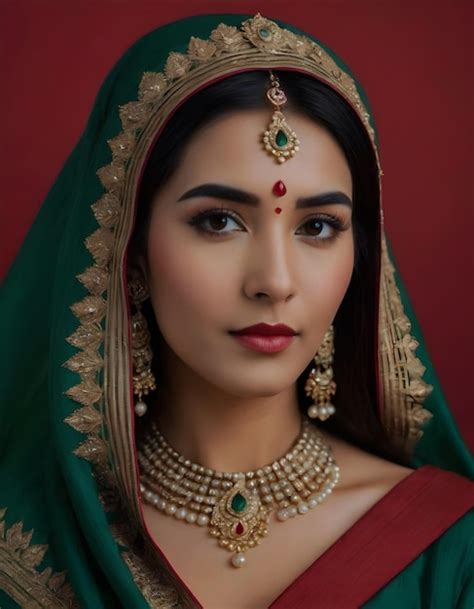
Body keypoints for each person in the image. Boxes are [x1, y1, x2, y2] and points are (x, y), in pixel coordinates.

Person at [0, 12, 472, 609]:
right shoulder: (25, 548)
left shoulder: (451, 550)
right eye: (219, 221)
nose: (274, 282)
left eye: (319, 226)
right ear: (130, 251)